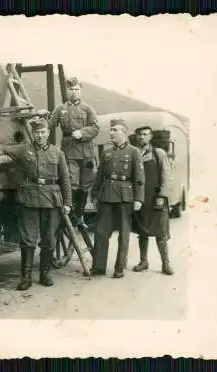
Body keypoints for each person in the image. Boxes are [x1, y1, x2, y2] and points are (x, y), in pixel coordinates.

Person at [0, 117, 72, 290]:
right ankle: (25, 278)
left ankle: (45, 274)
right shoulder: (24, 150)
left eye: (42, 132)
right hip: (29, 199)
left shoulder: (57, 153)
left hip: (52, 200)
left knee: (48, 240)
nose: (39, 135)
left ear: (48, 133)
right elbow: (6, 149)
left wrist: (68, 202)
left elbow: (65, 180)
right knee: (27, 240)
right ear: (32, 134)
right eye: (36, 133)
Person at [89, 119, 145, 278]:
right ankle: (99, 266)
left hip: (124, 197)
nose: (111, 132)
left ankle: (119, 268)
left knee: (124, 234)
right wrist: (94, 194)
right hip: (106, 195)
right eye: (111, 130)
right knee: (101, 232)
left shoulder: (134, 152)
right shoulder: (106, 152)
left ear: (124, 132)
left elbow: (139, 178)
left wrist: (138, 199)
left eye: (115, 130)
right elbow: (100, 176)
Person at [49, 77, 100, 230]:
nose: (74, 92)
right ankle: (72, 215)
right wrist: (42, 117)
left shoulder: (87, 109)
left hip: (86, 152)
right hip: (69, 151)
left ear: (80, 91)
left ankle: (80, 215)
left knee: (85, 186)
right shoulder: (61, 109)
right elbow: (50, 124)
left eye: (77, 89)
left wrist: (82, 133)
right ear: (67, 91)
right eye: (71, 90)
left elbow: (96, 128)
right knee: (72, 183)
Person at [131, 126, 174, 275]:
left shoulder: (158, 153)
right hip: (141, 199)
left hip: (155, 198)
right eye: (139, 134)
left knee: (160, 232)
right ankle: (144, 261)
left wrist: (162, 196)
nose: (142, 137)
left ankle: (165, 263)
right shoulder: (134, 153)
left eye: (145, 134)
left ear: (150, 137)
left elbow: (166, 176)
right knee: (142, 231)